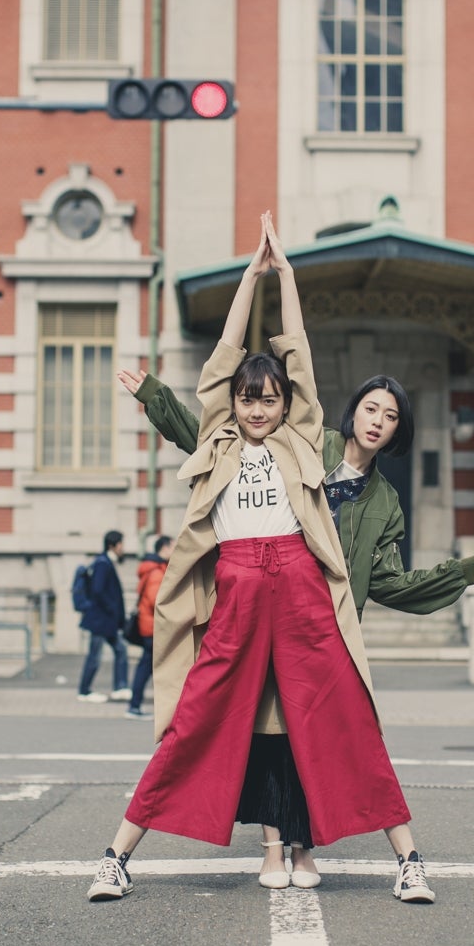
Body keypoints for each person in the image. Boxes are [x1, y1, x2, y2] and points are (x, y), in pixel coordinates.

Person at [87, 212, 435, 905]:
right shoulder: (216, 442)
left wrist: (289, 280)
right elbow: (221, 358)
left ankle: (412, 861)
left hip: (303, 586)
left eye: (268, 400)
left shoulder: (301, 439)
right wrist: (248, 277)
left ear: (284, 405)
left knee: (348, 720)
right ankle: (114, 858)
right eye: (249, 400)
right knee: (195, 721)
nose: (257, 410)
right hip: (239, 589)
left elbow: (298, 356)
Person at [119, 347, 474, 891]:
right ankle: (276, 850)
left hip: (320, 626)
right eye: (371, 409)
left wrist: (455, 575)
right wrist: (157, 398)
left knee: (320, 739)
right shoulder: (307, 446)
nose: (378, 422)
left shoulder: (386, 502)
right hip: (259, 605)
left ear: (399, 432)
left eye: (391, 417)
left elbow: (389, 581)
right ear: (353, 413)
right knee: (267, 740)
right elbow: (216, 435)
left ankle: (304, 852)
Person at [76, 531, 131, 704]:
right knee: (95, 655)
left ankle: (120, 687)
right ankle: (84, 691)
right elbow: (98, 590)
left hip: (105, 620)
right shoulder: (103, 564)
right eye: (121, 545)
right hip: (100, 620)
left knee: (120, 650)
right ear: (112, 545)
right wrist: (112, 607)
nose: (123, 548)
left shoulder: (105, 563)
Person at [124, 535, 171, 719]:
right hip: (153, 628)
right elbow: (156, 601)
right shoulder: (156, 572)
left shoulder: (155, 569)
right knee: (147, 667)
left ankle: (135, 705)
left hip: (149, 626)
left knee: (148, 667)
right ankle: (134, 706)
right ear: (164, 549)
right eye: (173, 547)